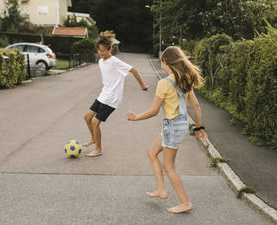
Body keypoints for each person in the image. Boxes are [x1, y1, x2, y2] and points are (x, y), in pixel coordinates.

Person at [127, 46, 207, 214]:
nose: (161, 66)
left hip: (172, 127)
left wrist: (136, 117)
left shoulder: (164, 83)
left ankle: (185, 202)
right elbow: (196, 106)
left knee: (168, 166)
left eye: (162, 63)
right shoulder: (185, 80)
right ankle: (161, 190)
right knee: (152, 152)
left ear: (165, 62)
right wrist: (199, 127)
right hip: (180, 125)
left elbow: (154, 111)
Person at [83, 31, 149, 157]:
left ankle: (98, 149)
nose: (101, 53)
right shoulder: (101, 62)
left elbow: (133, 70)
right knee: (87, 117)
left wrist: (142, 86)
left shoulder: (115, 62)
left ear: (110, 49)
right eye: (99, 50)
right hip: (103, 95)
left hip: (112, 99)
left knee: (95, 122)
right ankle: (93, 139)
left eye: (103, 50)